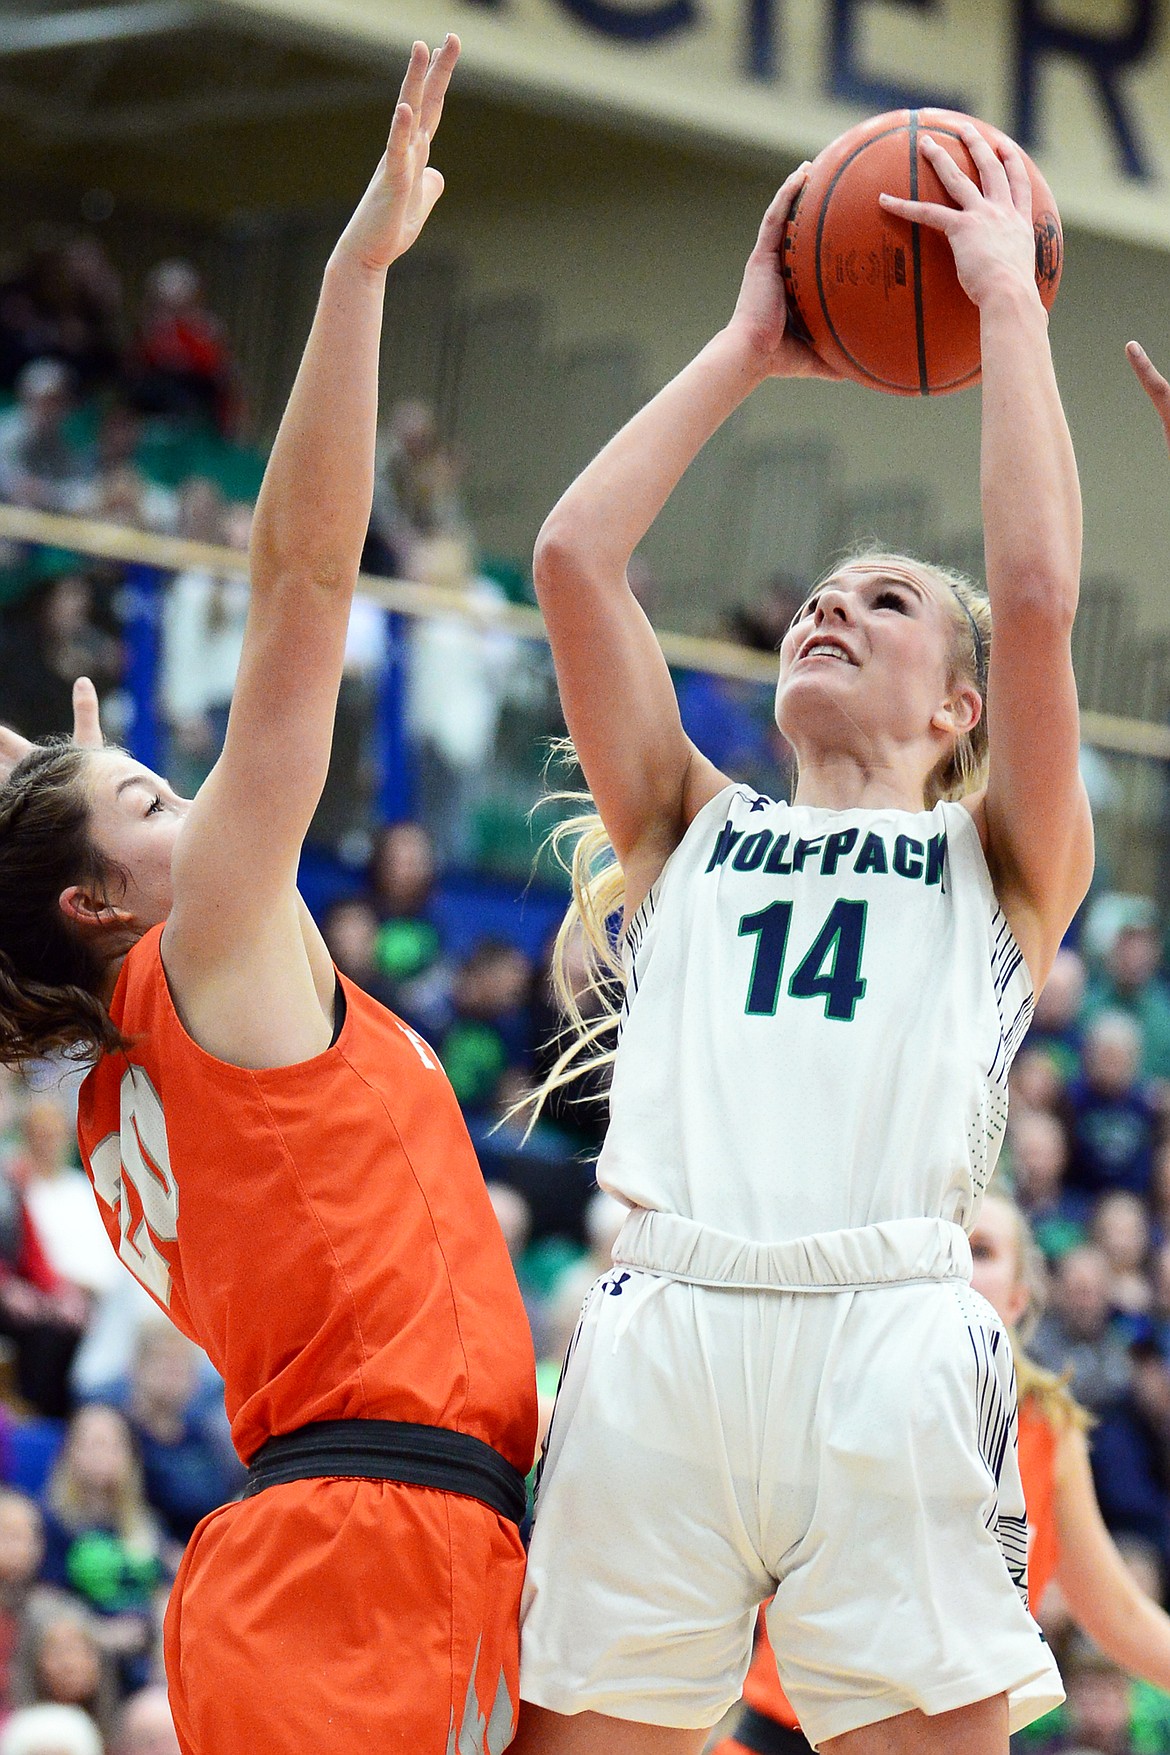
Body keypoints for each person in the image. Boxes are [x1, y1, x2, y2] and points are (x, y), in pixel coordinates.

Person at [511, 124, 1090, 1755]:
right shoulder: (692, 824)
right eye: (823, 597)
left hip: (892, 1342)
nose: (834, 609)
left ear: (958, 705)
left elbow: (1039, 594)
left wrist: (1009, 320)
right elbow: (571, 556)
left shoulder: (1001, 857)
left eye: (888, 603)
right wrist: (748, 348)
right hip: (663, 1334)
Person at [0, 36, 536, 1755]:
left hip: (360, 1547)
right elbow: (306, 574)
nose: (195, 794)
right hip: (360, 1559)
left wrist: (71, 781)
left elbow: (32, 830)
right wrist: (357, 271)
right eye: (156, 798)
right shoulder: (215, 942)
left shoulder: (119, 1071)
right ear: (97, 903)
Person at [713, 1190, 1170, 1755]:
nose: (956, 1264)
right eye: (943, 1245)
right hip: (781, 1738)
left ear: (1019, 1297)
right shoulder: (826, 1390)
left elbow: (1119, 1615)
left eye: (980, 1250)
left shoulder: (1050, 1429)